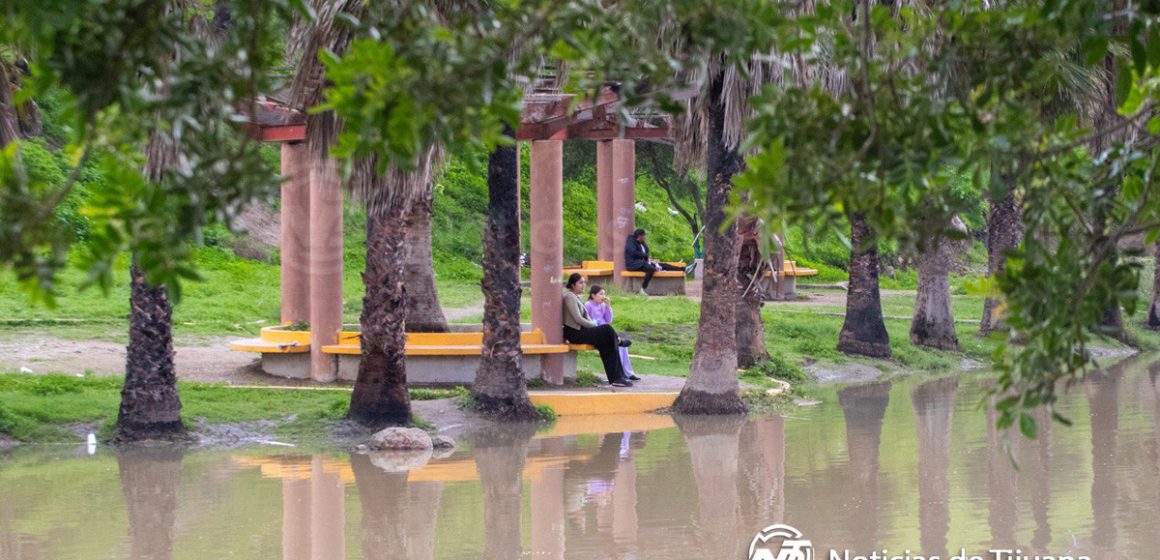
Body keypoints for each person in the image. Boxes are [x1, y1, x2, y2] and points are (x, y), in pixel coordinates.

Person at [562, 273, 632, 387]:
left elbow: (587, 318)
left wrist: (595, 326)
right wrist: (594, 326)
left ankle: (617, 377)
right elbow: (578, 319)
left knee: (607, 343)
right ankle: (619, 341)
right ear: (572, 284)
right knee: (607, 330)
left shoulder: (576, 296)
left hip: (581, 330)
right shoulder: (569, 296)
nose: (583, 285)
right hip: (575, 332)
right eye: (580, 282)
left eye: (584, 282)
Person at [585, 285, 641, 381]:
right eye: (600, 294)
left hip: (606, 331)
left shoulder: (602, 305)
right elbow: (586, 319)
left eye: (604, 294)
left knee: (622, 347)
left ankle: (628, 373)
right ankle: (620, 374)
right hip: (596, 332)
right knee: (616, 344)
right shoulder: (588, 305)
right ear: (593, 295)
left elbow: (608, 320)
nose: (603, 296)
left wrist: (608, 307)